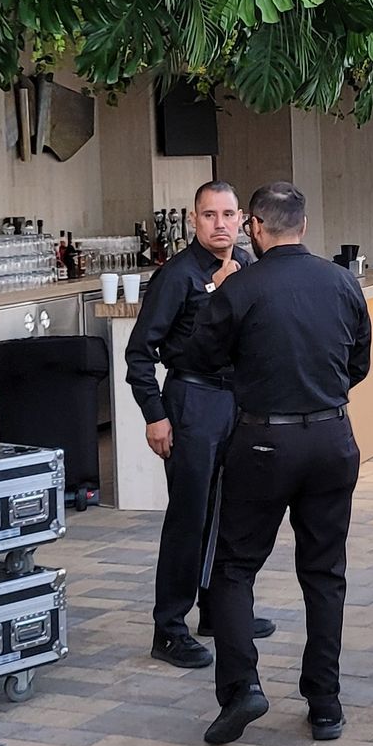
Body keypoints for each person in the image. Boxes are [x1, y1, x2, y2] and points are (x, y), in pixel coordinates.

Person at [174, 181, 372, 746]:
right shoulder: (342, 281)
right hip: (333, 436)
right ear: (303, 227)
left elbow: (198, 358)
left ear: (254, 228)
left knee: (235, 567)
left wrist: (217, 296)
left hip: (263, 439)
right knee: (325, 571)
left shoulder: (240, 286)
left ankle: (241, 688)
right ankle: (325, 702)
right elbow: (358, 362)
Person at [123, 179, 274, 669]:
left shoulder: (250, 266)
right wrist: (155, 415)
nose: (221, 225)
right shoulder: (178, 275)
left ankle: (218, 612)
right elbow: (140, 353)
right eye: (210, 215)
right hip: (192, 399)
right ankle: (168, 627)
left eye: (229, 215)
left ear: (244, 222)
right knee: (190, 517)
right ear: (194, 220)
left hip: (238, 401)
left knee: (231, 515)